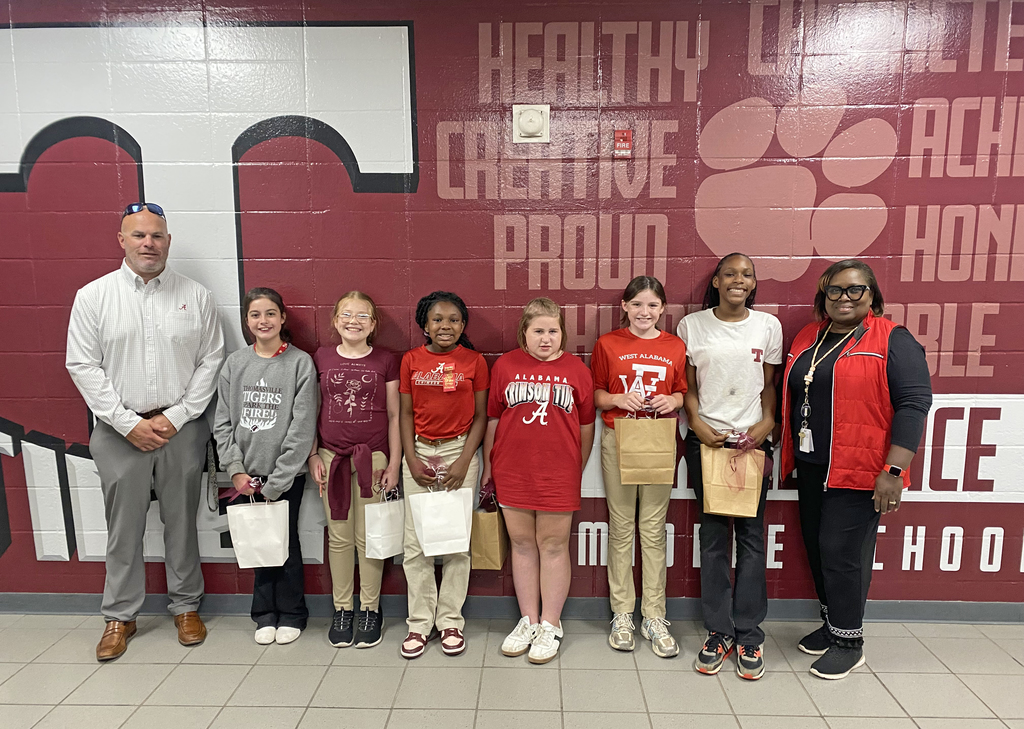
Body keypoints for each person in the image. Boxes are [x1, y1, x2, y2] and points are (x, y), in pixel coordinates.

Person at [66, 202, 225, 661]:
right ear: (122, 240)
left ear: (168, 241)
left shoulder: (196, 296)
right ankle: (120, 615)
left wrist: (177, 416)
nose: (148, 244)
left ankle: (186, 607)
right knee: (123, 528)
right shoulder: (93, 297)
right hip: (118, 432)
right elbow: (82, 365)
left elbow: (211, 360)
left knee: (182, 523)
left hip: (181, 429)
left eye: (156, 235)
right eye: (138, 235)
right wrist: (127, 423)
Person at [781, 259, 932, 679]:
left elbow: (914, 404)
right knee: (817, 547)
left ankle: (849, 643)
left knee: (841, 552)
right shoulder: (809, 336)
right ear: (823, 296)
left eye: (855, 289)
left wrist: (894, 471)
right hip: (813, 464)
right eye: (835, 290)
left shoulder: (893, 338)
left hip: (862, 468)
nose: (844, 298)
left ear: (872, 295)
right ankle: (833, 626)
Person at [678, 253, 782, 680]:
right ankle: (718, 632)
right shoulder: (692, 326)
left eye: (747, 274)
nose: (739, 280)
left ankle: (750, 634)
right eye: (730, 274)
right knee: (714, 538)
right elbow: (687, 387)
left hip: (751, 443)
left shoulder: (768, 326)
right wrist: (698, 425)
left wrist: (767, 423)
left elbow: (770, 385)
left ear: (753, 283)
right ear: (717, 282)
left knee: (752, 537)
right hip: (708, 443)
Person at [482, 298, 596, 664]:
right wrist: (489, 466)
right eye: (538, 331)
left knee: (553, 545)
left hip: (558, 473)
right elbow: (494, 419)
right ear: (524, 333)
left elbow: (587, 426)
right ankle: (528, 620)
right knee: (521, 544)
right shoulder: (505, 365)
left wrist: (576, 467)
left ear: (562, 333)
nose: (546, 338)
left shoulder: (577, 370)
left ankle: (550, 623)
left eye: (552, 331)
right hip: (512, 470)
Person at [214, 288, 316, 645]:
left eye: (271, 313)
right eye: (255, 314)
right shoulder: (235, 364)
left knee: (284, 543)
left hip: (285, 475)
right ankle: (264, 615)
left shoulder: (300, 363)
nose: (263, 321)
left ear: (282, 318)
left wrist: (278, 480)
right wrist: (235, 469)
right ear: (247, 321)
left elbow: (302, 427)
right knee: (256, 544)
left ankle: (292, 613)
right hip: (245, 475)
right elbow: (222, 422)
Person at [591, 275, 687, 658]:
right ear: (625, 307)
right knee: (620, 527)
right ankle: (621, 613)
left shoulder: (674, 345)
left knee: (652, 528)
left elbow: (682, 392)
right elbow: (597, 394)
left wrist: (673, 402)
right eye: (636, 304)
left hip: (658, 439)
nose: (644, 312)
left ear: (662, 308)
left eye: (652, 305)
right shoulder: (607, 343)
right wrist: (618, 398)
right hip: (619, 437)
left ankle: (654, 615)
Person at [399, 291, 489, 659]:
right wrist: (411, 458)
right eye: (437, 319)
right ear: (425, 324)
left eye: (453, 319)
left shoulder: (475, 361)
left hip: (459, 452)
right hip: (419, 451)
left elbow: (481, 416)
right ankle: (420, 623)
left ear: (463, 325)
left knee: (455, 542)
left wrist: (464, 461)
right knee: (415, 543)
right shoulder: (411, 360)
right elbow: (405, 414)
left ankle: (450, 620)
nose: (445, 326)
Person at [308, 291, 400, 650]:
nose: (354, 322)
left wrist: (394, 463)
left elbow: (394, 415)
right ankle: (343, 608)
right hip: (331, 458)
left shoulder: (386, 360)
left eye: (363, 316)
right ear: (335, 320)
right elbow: (312, 410)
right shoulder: (322, 357)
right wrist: (312, 455)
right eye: (346, 314)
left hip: (372, 459)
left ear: (373, 324)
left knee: (369, 537)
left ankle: (370, 609)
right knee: (339, 537)